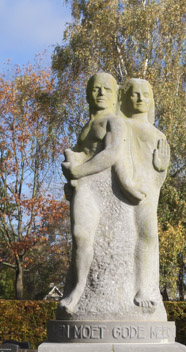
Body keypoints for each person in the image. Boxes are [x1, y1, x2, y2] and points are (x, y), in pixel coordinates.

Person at [59, 73, 144, 316]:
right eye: (95, 89)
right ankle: (79, 286)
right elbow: (87, 154)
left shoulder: (114, 122)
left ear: (115, 94)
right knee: (80, 236)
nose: (100, 93)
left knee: (84, 236)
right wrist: (73, 164)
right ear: (87, 94)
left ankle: (78, 289)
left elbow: (111, 154)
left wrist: (78, 169)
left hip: (105, 189)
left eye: (106, 89)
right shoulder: (87, 126)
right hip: (86, 187)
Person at [120, 78, 169, 310]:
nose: (140, 99)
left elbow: (159, 177)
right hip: (121, 190)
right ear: (125, 98)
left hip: (147, 192)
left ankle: (144, 286)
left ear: (151, 100)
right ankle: (131, 288)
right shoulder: (121, 125)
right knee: (128, 237)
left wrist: (160, 168)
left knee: (148, 235)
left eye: (145, 95)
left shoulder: (159, 134)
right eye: (134, 94)